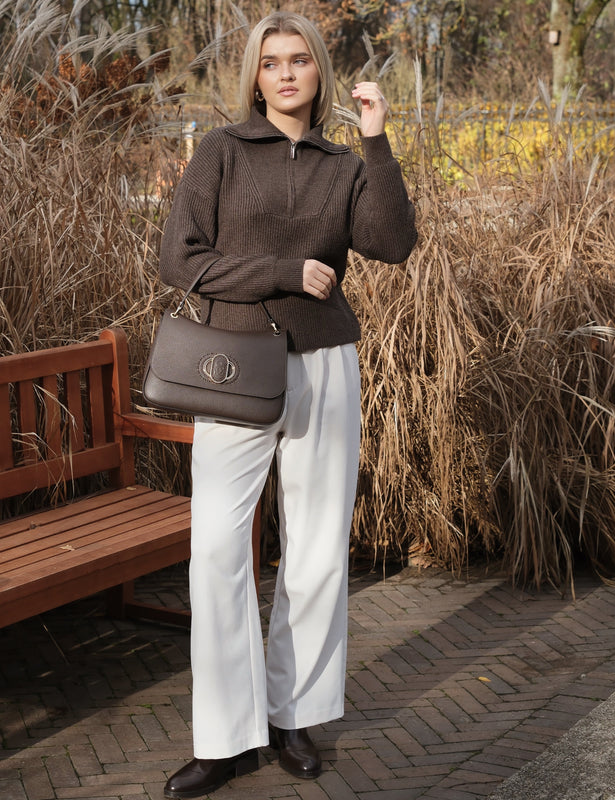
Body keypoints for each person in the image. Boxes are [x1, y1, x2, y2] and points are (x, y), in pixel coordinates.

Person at [158, 10, 417, 799]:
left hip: (325, 361)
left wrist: (376, 137)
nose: (286, 73)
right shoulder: (222, 150)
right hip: (233, 365)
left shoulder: (345, 161)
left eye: (299, 60)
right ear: (255, 75)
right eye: (271, 62)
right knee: (214, 552)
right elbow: (179, 258)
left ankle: (294, 719)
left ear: (319, 72)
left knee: (314, 551)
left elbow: (391, 243)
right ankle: (223, 736)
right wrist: (279, 270)